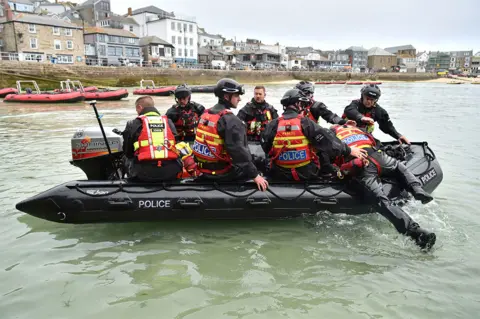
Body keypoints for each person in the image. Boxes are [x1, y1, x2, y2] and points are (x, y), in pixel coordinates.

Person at [330, 122, 436, 249]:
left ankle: (416, 233)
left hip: (362, 164)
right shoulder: (359, 130)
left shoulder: (332, 134)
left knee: (380, 199)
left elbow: (330, 156)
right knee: (399, 167)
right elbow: (377, 143)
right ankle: (417, 189)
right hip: (379, 156)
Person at [261, 89, 367, 181]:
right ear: (297, 104)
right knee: (324, 138)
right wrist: (348, 150)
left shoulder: (273, 124)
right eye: (302, 104)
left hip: (280, 173)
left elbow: (266, 146)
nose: (303, 107)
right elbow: (327, 141)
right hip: (306, 172)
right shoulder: (306, 122)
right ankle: (330, 172)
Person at [192, 78, 269, 191]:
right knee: (260, 162)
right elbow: (239, 152)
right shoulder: (230, 120)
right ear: (227, 97)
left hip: (203, 169)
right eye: (237, 95)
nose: (239, 99)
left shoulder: (206, 114)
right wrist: (255, 175)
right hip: (221, 173)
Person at [122, 96, 186, 182]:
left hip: (143, 174)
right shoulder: (168, 122)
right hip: (171, 172)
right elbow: (177, 146)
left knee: (124, 158)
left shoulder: (133, 123)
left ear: (139, 107)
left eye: (136, 110)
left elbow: (128, 152)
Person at [343, 84, 410, 144]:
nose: (369, 102)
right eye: (367, 98)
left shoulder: (378, 111)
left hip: (363, 137)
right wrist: (361, 117)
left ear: (376, 100)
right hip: (346, 134)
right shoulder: (355, 104)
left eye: (372, 100)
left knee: (378, 145)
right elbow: (349, 110)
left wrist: (398, 136)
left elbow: (386, 126)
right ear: (362, 96)